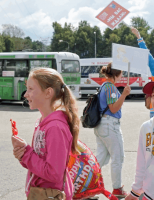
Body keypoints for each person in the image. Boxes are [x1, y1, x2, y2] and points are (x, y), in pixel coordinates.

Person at [11, 67, 79, 199]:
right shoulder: (42, 122)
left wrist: (27, 154)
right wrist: (22, 155)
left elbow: (54, 173)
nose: (25, 94)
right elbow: (39, 161)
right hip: (41, 193)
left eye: (31, 89)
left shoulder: (55, 127)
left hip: (50, 195)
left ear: (48, 93)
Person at [94, 62, 131, 198]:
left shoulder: (104, 85)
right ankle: (117, 189)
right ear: (117, 73)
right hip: (110, 125)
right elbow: (114, 108)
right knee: (118, 157)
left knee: (100, 159)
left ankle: (86, 184)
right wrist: (124, 94)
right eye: (121, 73)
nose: (122, 76)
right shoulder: (110, 87)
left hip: (101, 125)